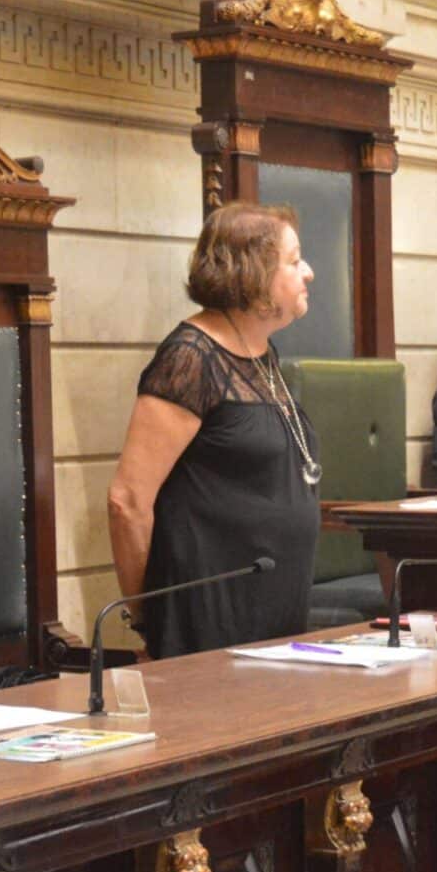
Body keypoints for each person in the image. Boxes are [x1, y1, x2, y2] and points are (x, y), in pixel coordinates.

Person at [106, 202, 321, 659]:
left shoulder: (263, 354)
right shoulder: (190, 357)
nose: (309, 272)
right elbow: (127, 501)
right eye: (294, 260)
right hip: (208, 616)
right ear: (253, 274)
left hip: (274, 606)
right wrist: (147, 615)